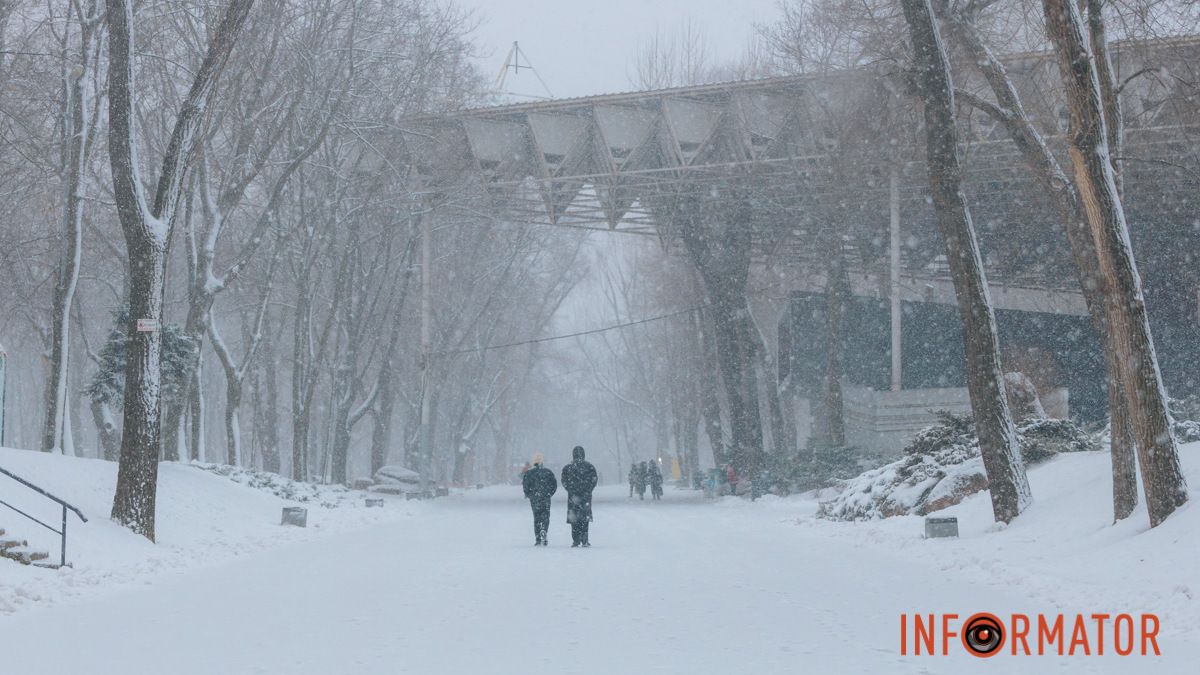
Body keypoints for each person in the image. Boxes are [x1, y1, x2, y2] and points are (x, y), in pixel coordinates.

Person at [561, 445, 598, 547]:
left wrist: (570, 490)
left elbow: (564, 481)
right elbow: (594, 480)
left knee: (574, 518)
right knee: (584, 518)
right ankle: (585, 539)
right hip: (585, 496)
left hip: (573, 497)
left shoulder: (568, 467)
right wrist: (588, 490)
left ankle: (576, 540)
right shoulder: (590, 467)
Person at [522, 453, 557, 546]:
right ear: (542, 461)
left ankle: (538, 538)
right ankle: (544, 531)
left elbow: (525, 486)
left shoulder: (529, 473)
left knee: (537, 517)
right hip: (545, 497)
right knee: (545, 516)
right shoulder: (548, 472)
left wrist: (530, 495)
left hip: (535, 499)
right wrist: (549, 494)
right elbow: (554, 485)